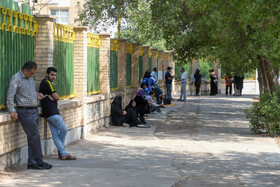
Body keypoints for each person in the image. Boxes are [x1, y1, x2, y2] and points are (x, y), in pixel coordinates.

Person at [7, 61, 52, 170]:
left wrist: (38, 95)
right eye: (31, 73)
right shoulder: (16, 79)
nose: (32, 75)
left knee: (32, 138)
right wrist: (12, 111)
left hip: (34, 110)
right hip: (25, 112)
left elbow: (31, 93)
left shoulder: (30, 79)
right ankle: (39, 161)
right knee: (35, 137)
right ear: (25, 70)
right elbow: (10, 95)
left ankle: (32, 163)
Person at [39, 67, 76, 160]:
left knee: (55, 134)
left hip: (49, 113)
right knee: (64, 129)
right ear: (47, 74)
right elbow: (57, 97)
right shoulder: (47, 83)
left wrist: (53, 97)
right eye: (52, 74)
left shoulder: (47, 83)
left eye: (55, 75)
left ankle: (62, 153)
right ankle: (61, 151)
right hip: (52, 113)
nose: (53, 77)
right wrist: (54, 97)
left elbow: (54, 97)